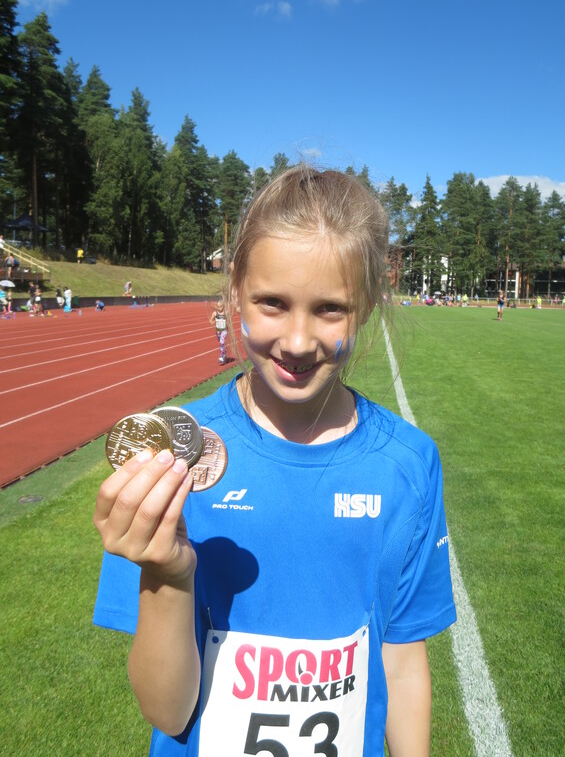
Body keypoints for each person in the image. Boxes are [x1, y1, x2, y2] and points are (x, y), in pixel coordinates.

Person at [93, 166, 456, 757]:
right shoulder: (172, 458)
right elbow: (166, 710)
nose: (297, 340)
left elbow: (402, 658)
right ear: (235, 290)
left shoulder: (408, 463)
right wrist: (168, 572)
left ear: (366, 307)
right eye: (273, 303)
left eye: (330, 308)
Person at [209, 299, 228, 364]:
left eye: (221, 306)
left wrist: (227, 324)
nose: (220, 308)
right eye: (219, 307)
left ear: (223, 306)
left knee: (222, 342)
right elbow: (211, 321)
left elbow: (228, 320)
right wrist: (215, 321)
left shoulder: (226, 313)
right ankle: (224, 353)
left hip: (224, 330)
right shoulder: (215, 313)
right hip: (218, 331)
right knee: (220, 343)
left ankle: (222, 356)